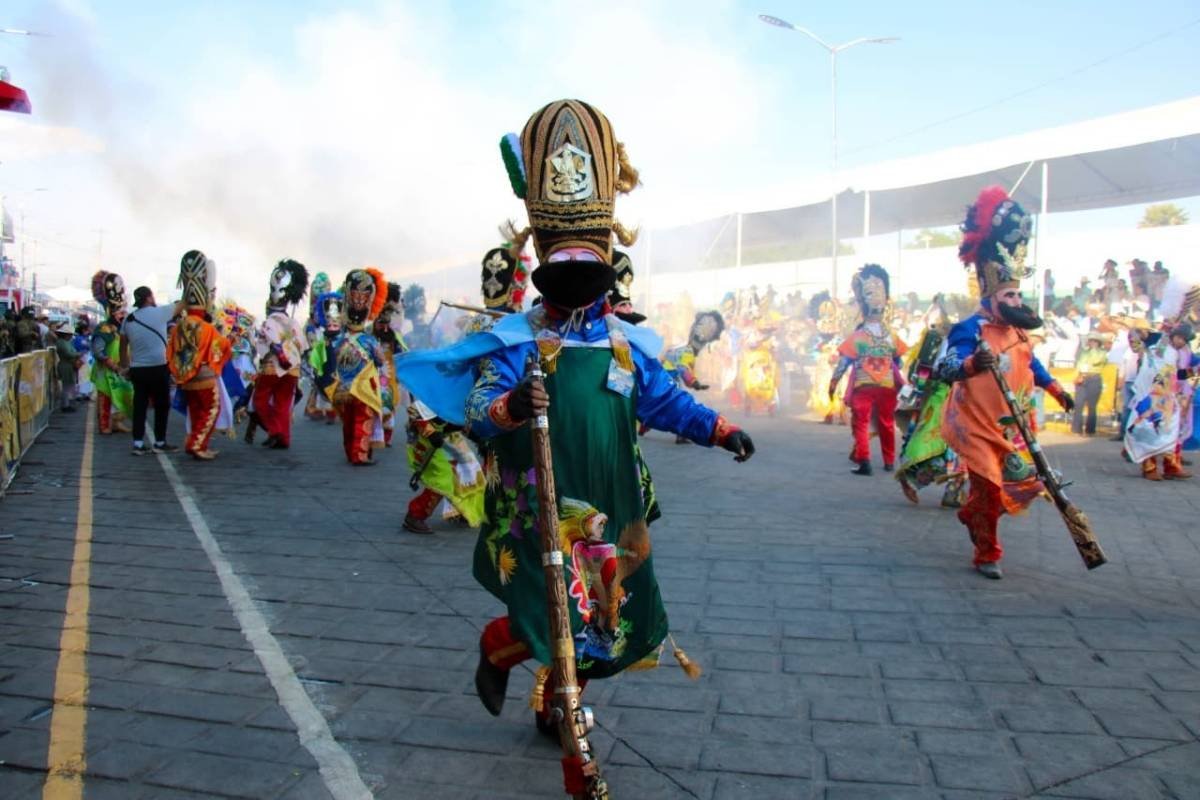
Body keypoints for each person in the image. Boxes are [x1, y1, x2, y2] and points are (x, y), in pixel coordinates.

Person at [396, 99, 754, 741]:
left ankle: (552, 699)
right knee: (545, 604)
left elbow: (667, 402)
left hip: (608, 503)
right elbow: (480, 414)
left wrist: (721, 430)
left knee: (597, 612)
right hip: (541, 499)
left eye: (586, 266)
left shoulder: (627, 345)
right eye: (562, 267)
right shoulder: (516, 340)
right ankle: (507, 654)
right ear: (543, 270)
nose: (576, 277)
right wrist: (510, 406)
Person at [939, 186, 1074, 580]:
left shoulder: (1019, 331)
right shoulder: (969, 329)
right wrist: (970, 364)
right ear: (990, 292)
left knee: (1025, 485)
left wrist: (1055, 389)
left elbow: (1034, 367)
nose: (1017, 299)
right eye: (1009, 293)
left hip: (1011, 426)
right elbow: (946, 368)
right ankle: (987, 554)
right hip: (974, 426)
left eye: (1018, 292)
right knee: (990, 489)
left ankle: (972, 514)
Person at [831, 264, 907, 476]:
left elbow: (842, 364)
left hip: (863, 386)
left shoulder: (859, 335)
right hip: (887, 385)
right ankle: (889, 461)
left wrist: (833, 384)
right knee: (886, 422)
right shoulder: (891, 335)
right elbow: (899, 362)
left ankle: (864, 461)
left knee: (862, 423)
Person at [167, 250, 231, 460]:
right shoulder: (207, 328)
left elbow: (171, 350)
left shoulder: (178, 327)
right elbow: (221, 348)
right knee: (211, 409)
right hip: (204, 378)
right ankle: (196, 444)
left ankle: (195, 442)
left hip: (186, 378)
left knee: (195, 410)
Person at [330, 268, 387, 465]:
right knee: (362, 421)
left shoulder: (340, 339)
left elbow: (334, 356)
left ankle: (349, 451)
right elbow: (380, 360)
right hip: (363, 388)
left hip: (343, 386)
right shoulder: (369, 340)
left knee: (348, 422)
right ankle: (359, 454)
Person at [252, 259, 309, 449]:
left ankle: (275, 430)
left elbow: (262, 345)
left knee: (260, 400)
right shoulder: (294, 324)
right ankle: (283, 437)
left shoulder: (269, 322)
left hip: (272, 368)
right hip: (292, 369)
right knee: (283, 404)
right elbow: (302, 346)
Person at [120, 286, 183, 454]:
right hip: (159, 367)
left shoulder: (129, 319)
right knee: (162, 405)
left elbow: (123, 345)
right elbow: (183, 303)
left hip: (138, 369)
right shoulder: (161, 312)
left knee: (139, 405)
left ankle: (138, 443)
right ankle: (160, 442)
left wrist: (125, 367)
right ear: (148, 298)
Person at [89, 272, 134, 434]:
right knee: (105, 397)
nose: (123, 316)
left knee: (126, 396)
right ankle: (104, 425)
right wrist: (112, 365)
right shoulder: (104, 329)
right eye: (120, 314)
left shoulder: (124, 328)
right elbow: (97, 350)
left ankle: (117, 422)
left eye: (124, 313)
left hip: (122, 369)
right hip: (107, 370)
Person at [1072, 333, 1108, 436]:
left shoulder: (1102, 353)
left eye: (1094, 341)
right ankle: (1076, 429)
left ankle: (1090, 430)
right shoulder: (1084, 352)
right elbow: (1079, 364)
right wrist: (1076, 377)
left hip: (1094, 378)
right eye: (1091, 340)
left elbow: (1096, 361)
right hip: (1082, 377)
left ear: (1098, 343)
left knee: (1092, 406)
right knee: (1078, 404)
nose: (1092, 342)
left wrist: (1093, 350)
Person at [51, 322, 82, 412]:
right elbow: (68, 354)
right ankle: (65, 405)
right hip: (66, 365)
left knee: (68, 386)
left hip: (69, 365)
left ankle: (67, 403)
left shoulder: (66, 342)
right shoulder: (61, 343)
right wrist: (78, 354)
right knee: (66, 386)